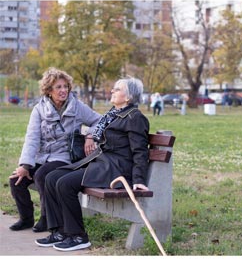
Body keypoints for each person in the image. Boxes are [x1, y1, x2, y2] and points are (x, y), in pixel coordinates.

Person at [35, 76, 150, 251]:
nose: (112, 90)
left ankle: (78, 236)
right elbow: (95, 130)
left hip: (115, 170)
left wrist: (139, 180)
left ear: (128, 97)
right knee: (51, 178)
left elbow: (140, 151)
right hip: (102, 163)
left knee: (65, 184)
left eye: (117, 89)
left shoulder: (135, 117)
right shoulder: (113, 114)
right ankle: (59, 232)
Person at [9, 68, 101, 233]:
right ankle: (26, 218)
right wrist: (25, 165)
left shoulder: (77, 106)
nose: (63, 90)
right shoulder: (39, 109)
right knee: (16, 180)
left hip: (64, 157)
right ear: (49, 90)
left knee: (42, 175)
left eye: (65, 86)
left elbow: (99, 121)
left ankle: (46, 218)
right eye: (58, 87)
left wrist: (90, 136)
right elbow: (32, 138)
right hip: (42, 156)